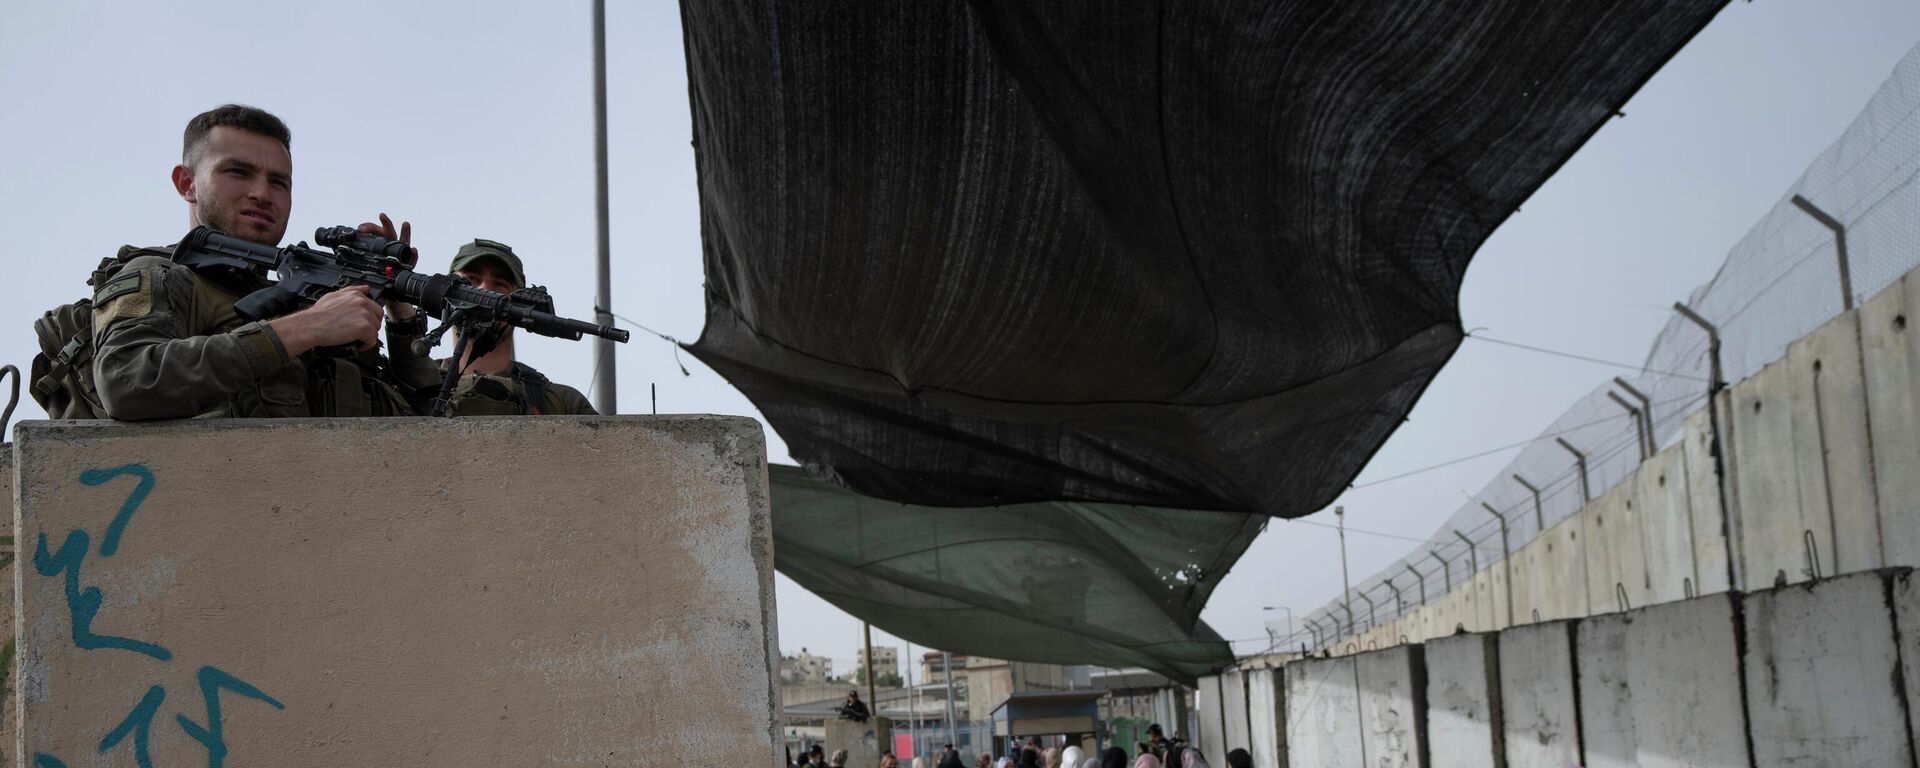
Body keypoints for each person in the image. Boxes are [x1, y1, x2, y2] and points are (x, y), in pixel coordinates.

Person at [87, 104, 415, 419]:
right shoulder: (162, 276)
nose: (262, 193)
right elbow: (126, 382)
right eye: (238, 172)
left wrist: (398, 310)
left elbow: (432, 425)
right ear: (187, 184)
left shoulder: (304, 302)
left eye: (278, 182)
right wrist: (311, 326)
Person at [387, 238, 596, 415]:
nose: (485, 288)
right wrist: (397, 301)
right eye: (471, 280)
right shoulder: (403, 382)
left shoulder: (561, 404)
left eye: (500, 284)